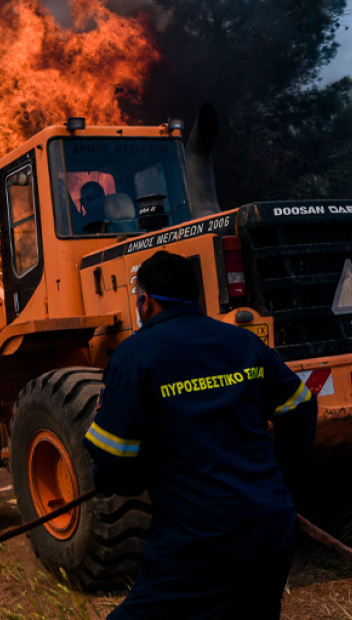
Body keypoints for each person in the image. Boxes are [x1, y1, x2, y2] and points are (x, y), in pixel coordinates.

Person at [84, 251, 317, 619]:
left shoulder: (134, 356)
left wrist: (122, 476)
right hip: (270, 530)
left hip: (196, 540)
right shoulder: (243, 342)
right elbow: (301, 406)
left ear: (145, 302)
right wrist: (283, 481)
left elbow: (113, 458)